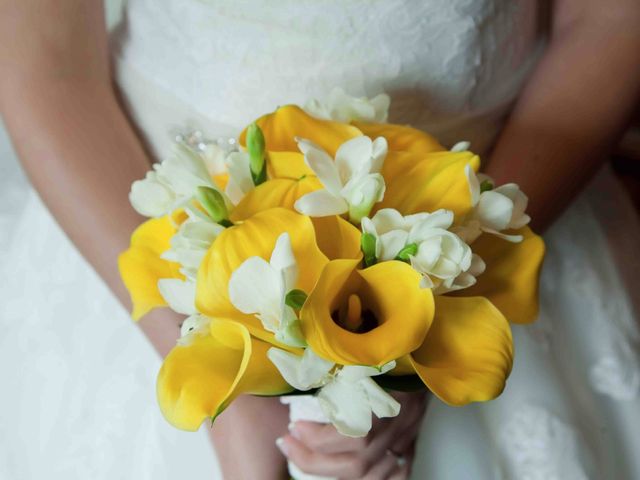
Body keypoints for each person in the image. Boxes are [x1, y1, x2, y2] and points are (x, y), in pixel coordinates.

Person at [1, 0, 639, 478]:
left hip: (497, 218)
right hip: (139, 240)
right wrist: (232, 387)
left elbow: (610, 20)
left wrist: (422, 339)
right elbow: (48, 64)